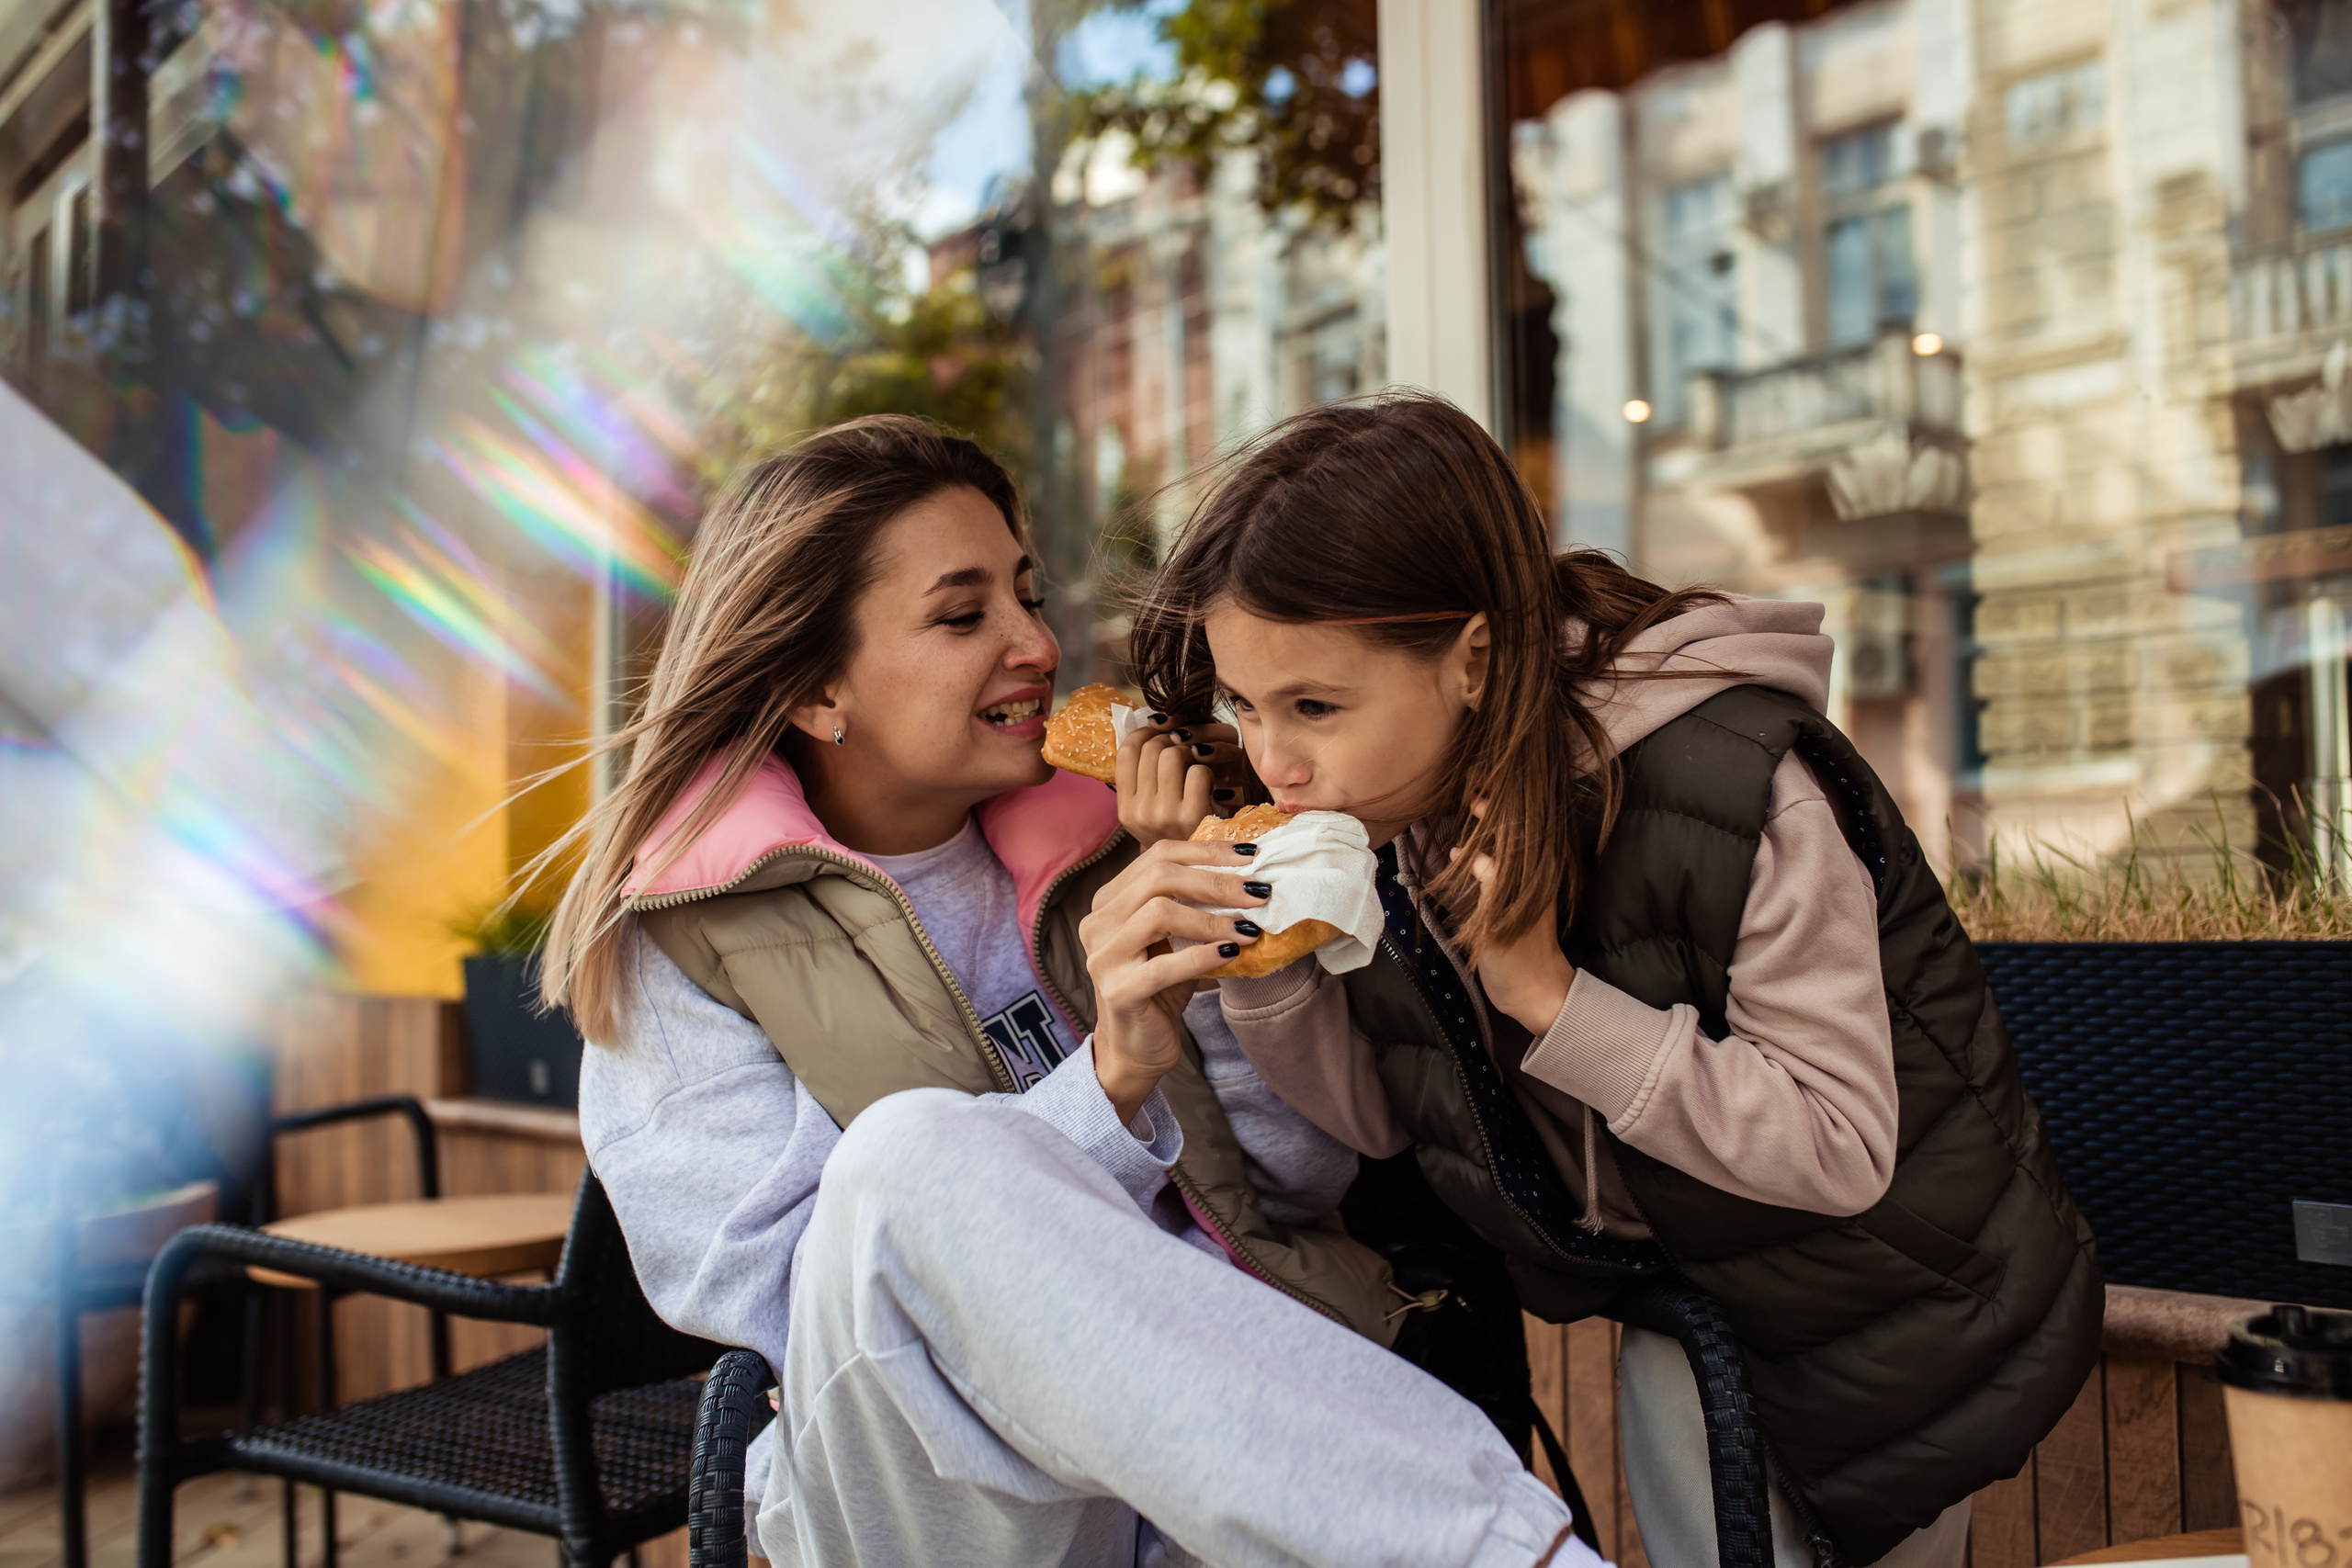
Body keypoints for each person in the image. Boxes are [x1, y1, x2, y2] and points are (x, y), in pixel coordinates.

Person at [533, 414, 1598, 1568]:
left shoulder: (1119, 851)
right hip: (924, 1494)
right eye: (962, 614)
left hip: (1219, 1465)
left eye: (1026, 596)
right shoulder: (688, 937)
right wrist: (1110, 1082)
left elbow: (1290, 1190)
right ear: (812, 688)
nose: (1035, 643)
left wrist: (1228, 949)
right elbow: (792, 1305)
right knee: (909, 1159)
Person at [1122, 392, 2103, 1568]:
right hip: (1681, 1298)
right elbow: (1384, 1119)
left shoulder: (1738, 788)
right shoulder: (1388, 814)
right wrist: (1261, 952)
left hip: (1894, 1307)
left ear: (1472, 659)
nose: (1273, 762)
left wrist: (1550, 999)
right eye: (1244, 703)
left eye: (1314, 706)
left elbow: (1839, 1147)